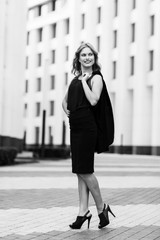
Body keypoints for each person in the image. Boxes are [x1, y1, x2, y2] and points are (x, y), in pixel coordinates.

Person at [62, 42, 115, 230]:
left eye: (90, 55)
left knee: (85, 170)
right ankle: (82, 212)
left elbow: (93, 100)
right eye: (83, 55)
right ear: (78, 58)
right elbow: (65, 101)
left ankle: (102, 208)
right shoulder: (75, 79)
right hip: (75, 128)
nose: (87, 58)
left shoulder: (96, 78)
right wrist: (68, 111)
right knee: (79, 171)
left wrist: (85, 80)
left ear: (94, 57)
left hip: (87, 129)